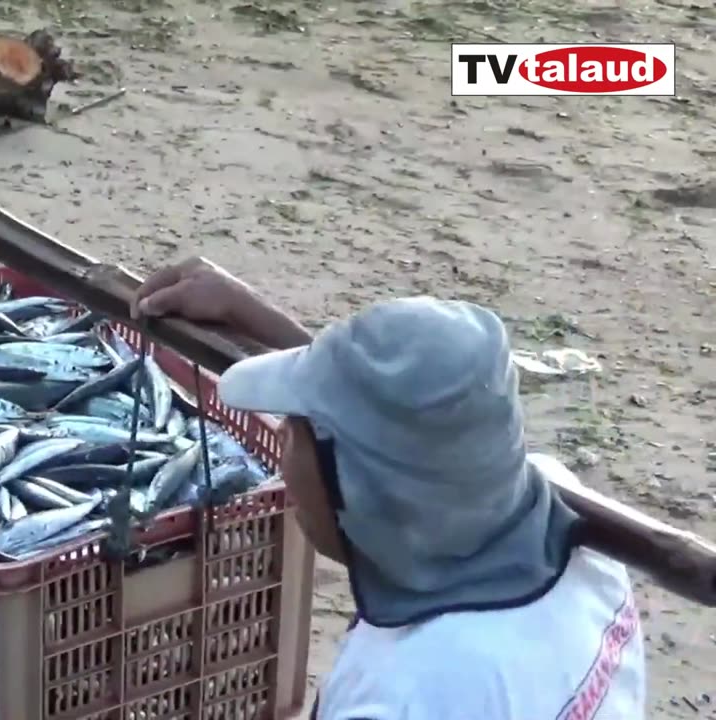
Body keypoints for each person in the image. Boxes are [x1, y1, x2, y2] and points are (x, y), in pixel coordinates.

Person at [132, 257, 646, 719]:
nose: (283, 448)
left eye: (294, 433)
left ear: (361, 491)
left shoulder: (403, 694)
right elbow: (406, 418)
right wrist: (254, 314)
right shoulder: (554, 505)